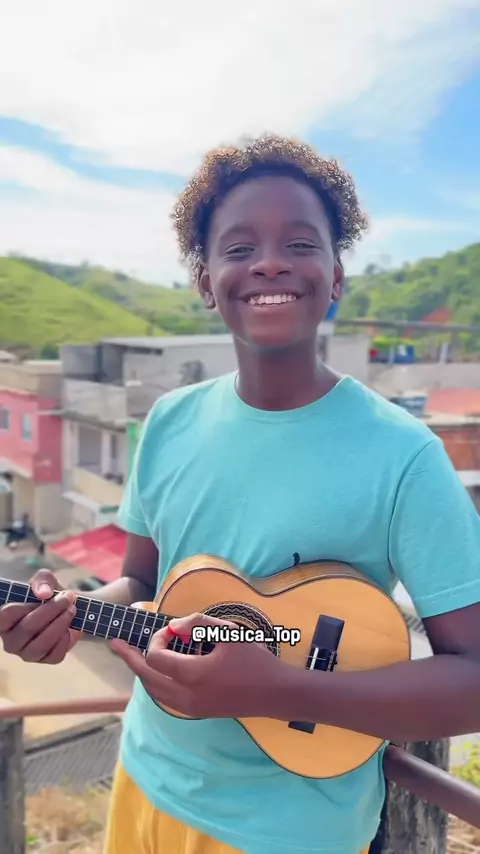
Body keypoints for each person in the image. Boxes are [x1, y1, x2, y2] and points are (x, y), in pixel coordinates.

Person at [1, 134, 480, 854]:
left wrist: (278, 691)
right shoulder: (169, 421)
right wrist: (65, 618)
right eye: (238, 247)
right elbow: (144, 585)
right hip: (145, 782)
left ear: (336, 274)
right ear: (206, 280)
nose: (269, 262)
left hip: (294, 833)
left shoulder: (404, 455)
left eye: (300, 243)